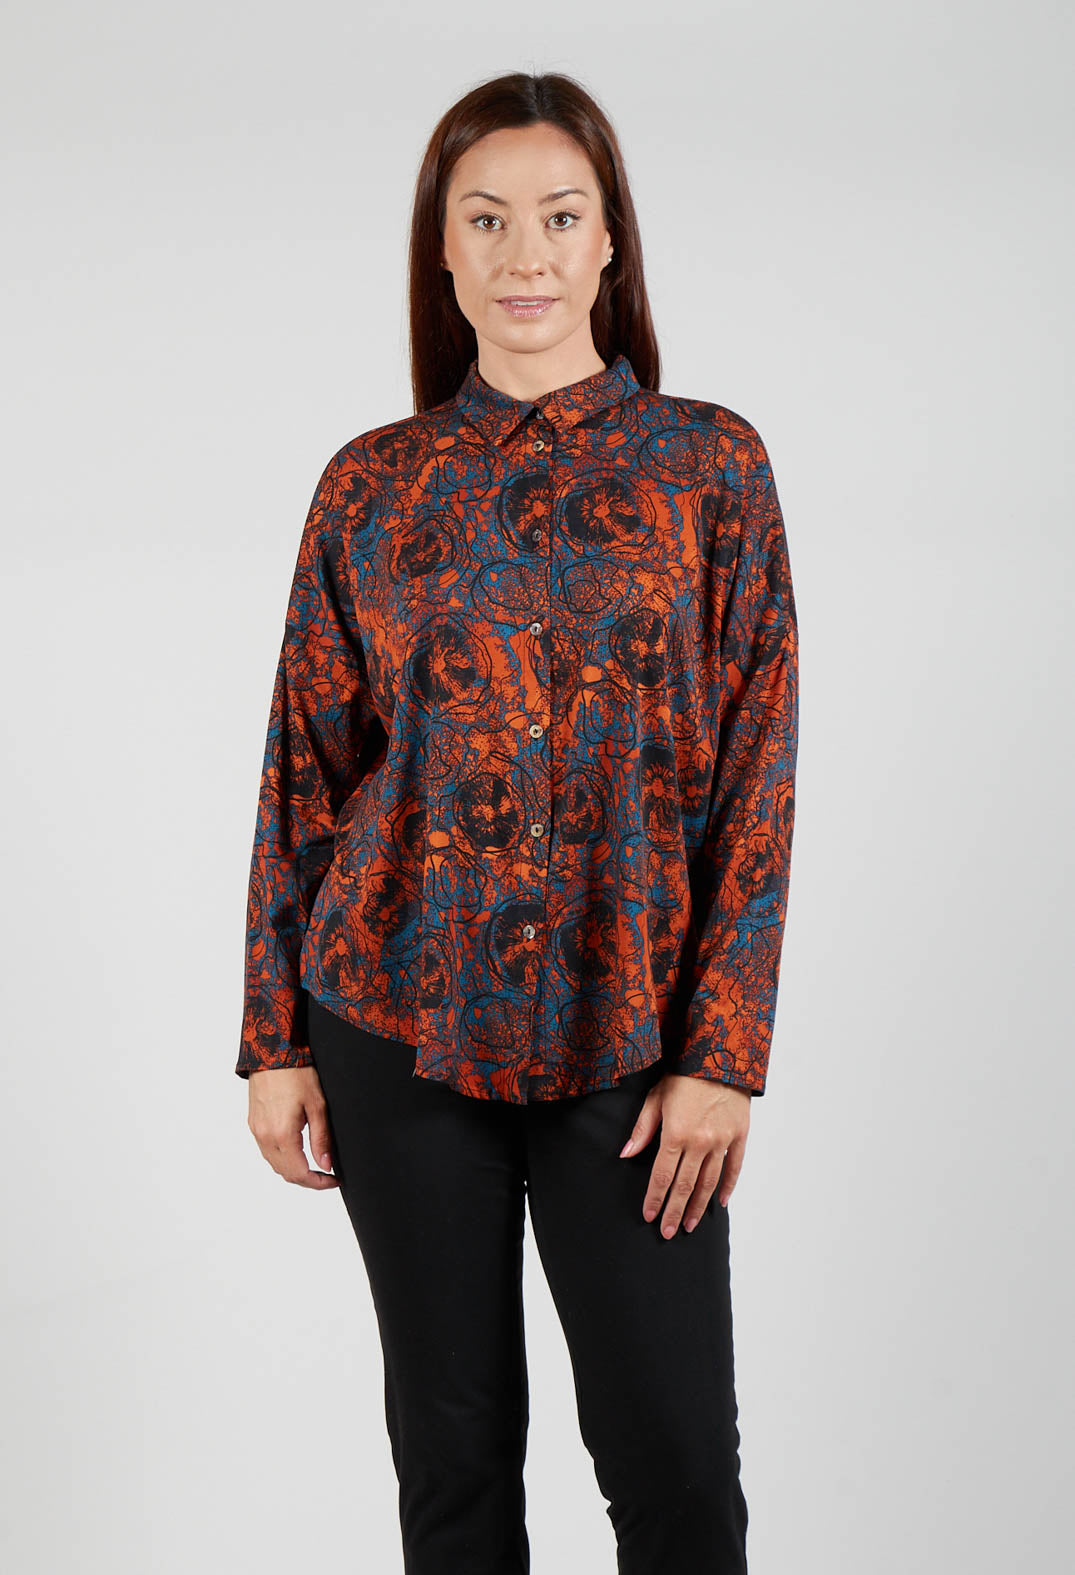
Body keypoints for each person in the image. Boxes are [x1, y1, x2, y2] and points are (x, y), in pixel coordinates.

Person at [236, 69, 799, 1575]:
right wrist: (276, 1037)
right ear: (443, 249)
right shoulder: (371, 486)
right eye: (484, 220)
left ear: (611, 241)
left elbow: (759, 771)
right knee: (454, 1462)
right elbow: (305, 770)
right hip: (394, 1019)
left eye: (559, 216)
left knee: (677, 1466)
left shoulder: (713, 469)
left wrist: (723, 1053)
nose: (523, 253)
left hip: (635, 1032)